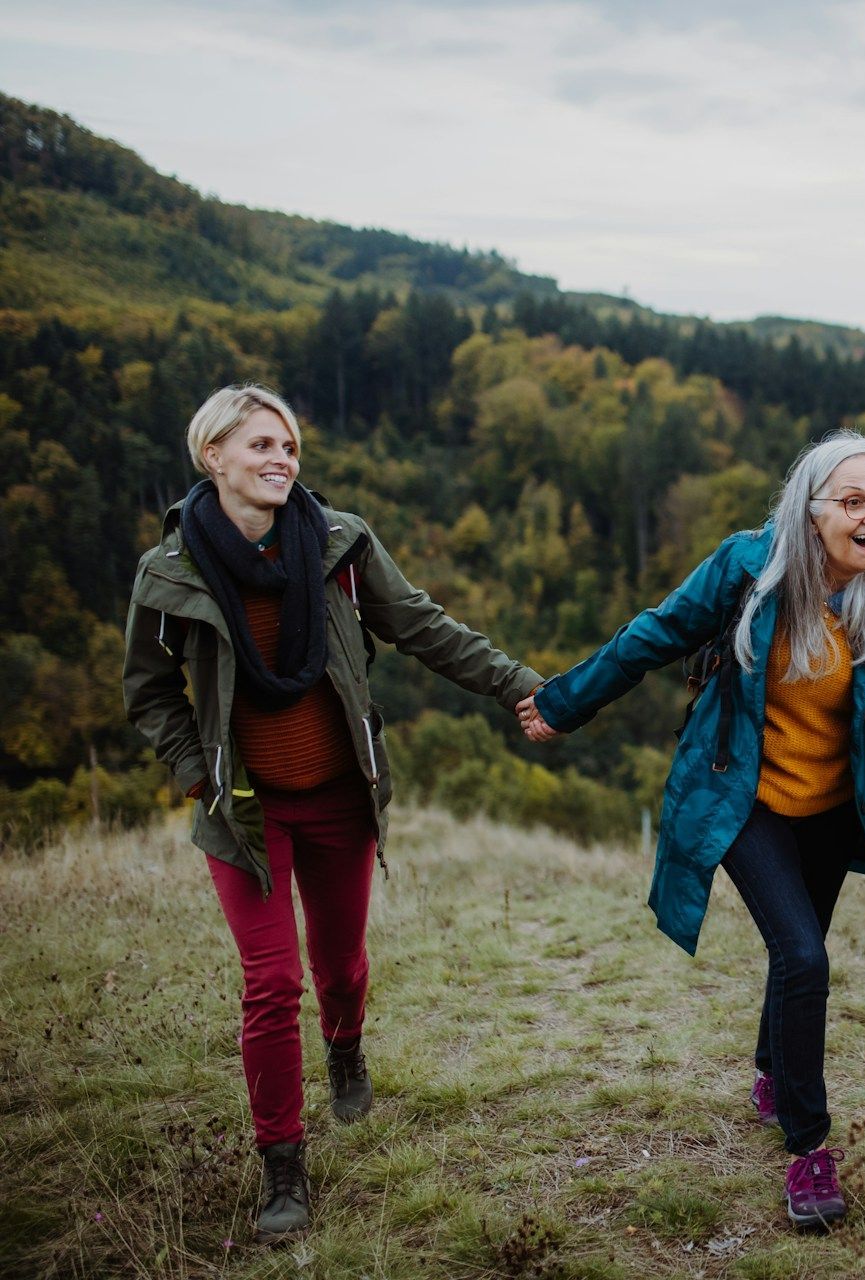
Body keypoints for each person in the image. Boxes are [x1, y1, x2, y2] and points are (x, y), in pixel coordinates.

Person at [519, 430, 865, 1229]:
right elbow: (654, 634)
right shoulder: (749, 568)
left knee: (794, 952)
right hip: (745, 799)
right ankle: (808, 1149)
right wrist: (567, 703)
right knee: (805, 956)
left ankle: (773, 1070)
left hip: (838, 810)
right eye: (854, 501)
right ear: (810, 511)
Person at [122, 385, 543, 1242]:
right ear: (214, 457)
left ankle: (346, 1046)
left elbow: (423, 626)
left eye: (291, 448)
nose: (283, 460)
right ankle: (284, 1166)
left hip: (341, 799)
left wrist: (522, 685)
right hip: (244, 813)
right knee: (270, 985)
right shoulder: (170, 573)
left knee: (340, 965)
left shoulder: (340, 548)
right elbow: (149, 690)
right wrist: (194, 776)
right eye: (263, 446)